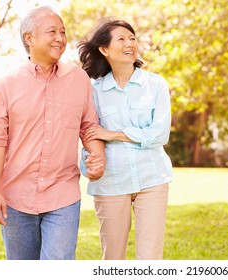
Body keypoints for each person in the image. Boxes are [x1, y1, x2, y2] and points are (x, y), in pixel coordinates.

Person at [0, 6, 105, 260]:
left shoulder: (79, 79)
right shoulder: (5, 85)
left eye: (63, 32)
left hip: (63, 195)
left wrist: (98, 158)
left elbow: (89, 127)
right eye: (52, 32)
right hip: (16, 197)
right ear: (29, 38)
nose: (60, 38)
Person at [77, 19, 173, 260]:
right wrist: (89, 165)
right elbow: (88, 137)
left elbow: (160, 134)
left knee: (150, 258)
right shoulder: (92, 92)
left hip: (152, 180)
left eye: (132, 38)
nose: (130, 43)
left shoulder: (155, 85)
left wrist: (113, 134)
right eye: (122, 39)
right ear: (104, 49)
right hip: (110, 183)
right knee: (113, 259)